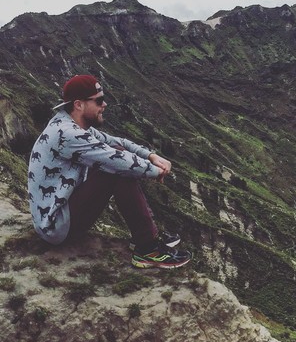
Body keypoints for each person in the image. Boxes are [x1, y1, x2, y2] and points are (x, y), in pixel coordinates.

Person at [26, 74, 190, 269]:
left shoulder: (70, 124)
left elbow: (115, 143)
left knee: (117, 159)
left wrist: (151, 156)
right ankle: (147, 248)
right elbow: (117, 161)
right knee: (116, 169)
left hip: (58, 214)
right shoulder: (68, 134)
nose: (105, 105)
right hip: (55, 227)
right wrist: (156, 171)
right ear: (79, 105)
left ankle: (147, 237)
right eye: (99, 100)